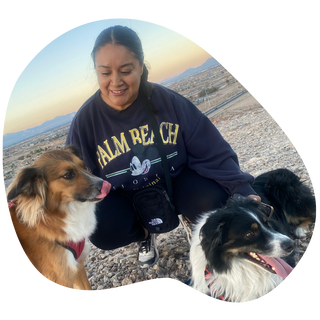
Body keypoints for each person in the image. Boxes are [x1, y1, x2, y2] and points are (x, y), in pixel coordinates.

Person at [66, 25, 261, 268]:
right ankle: (145, 234)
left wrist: (242, 188)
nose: (115, 82)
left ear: (140, 65)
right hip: (125, 200)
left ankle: (195, 220)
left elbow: (211, 149)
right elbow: (72, 179)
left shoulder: (169, 102)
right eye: (105, 73)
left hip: (176, 185)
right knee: (102, 228)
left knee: (212, 197)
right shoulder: (85, 122)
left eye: (126, 70)